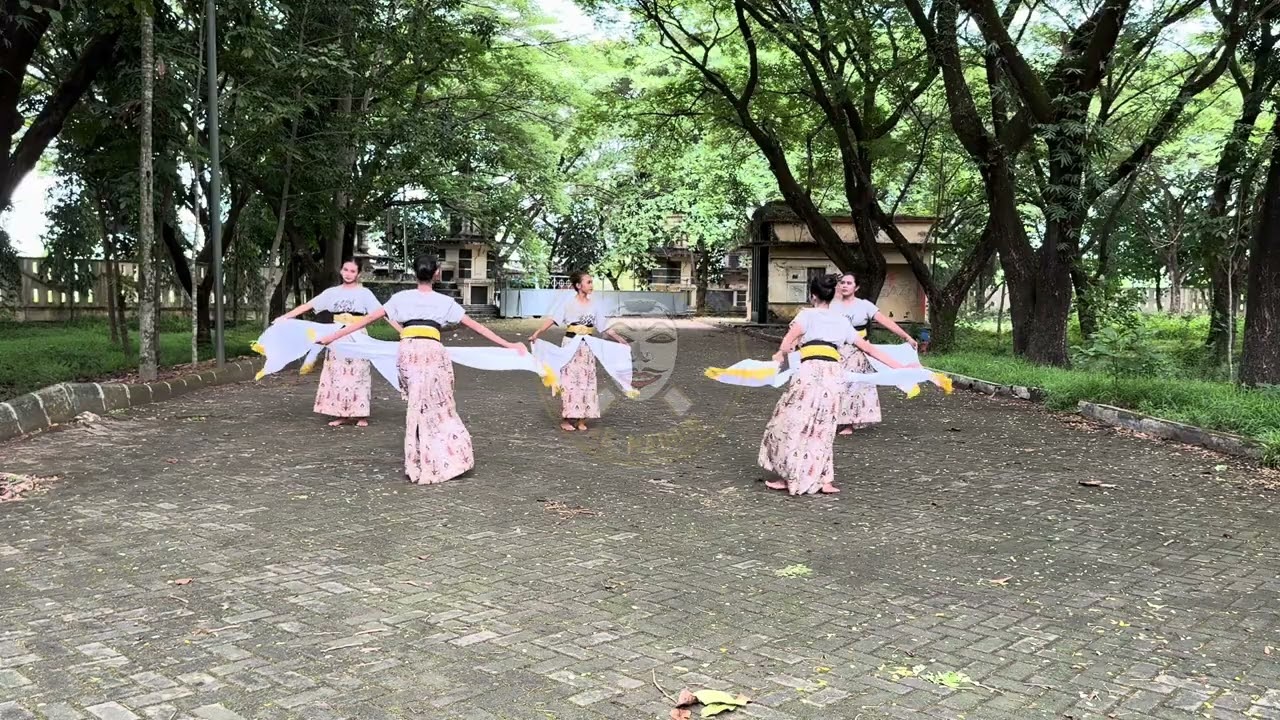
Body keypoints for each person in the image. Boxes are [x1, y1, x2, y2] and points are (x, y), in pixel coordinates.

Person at [316, 254, 526, 485]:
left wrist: (331, 337)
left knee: (417, 405)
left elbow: (366, 320)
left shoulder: (400, 298)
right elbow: (477, 327)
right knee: (439, 405)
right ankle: (439, 458)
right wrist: (509, 344)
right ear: (436, 273)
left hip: (408, 351)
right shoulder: (444, 302)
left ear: (414, 272)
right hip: (432, 351)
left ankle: (419, 459)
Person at [759, 274, 917, 496]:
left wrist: (781, 356)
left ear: (813, 296)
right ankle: (824, 479)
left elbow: (786, 344)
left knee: (792, 422)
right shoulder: (842, 321)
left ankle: (790, 476)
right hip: (833, 375)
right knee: (824, 426)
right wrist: (900, 367)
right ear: (833, 294)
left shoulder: (806, 315)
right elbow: (870, 349)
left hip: (810, 372)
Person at [274, 258, 397, 427]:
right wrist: (285, 317)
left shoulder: (365, 293)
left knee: (359, 374)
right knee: (338, 375)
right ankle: (341, 413)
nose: (348, 274)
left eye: (352, 271)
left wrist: (403, 331)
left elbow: (383, 313)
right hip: (336, 336)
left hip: (357, 335)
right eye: (346, 270)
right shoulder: (332, 293)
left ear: (358, 274)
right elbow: (308, 305)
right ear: (341, 271)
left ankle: (360, 414)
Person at [528, 271, 629, 432]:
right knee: (570, 381)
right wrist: (537, 333)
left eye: (591, 282)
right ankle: (567, 418)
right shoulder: (568, 304)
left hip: (587, 347)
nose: (591, 285)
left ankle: (582, 418)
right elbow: (553, 319)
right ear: (578, 285)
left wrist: (620, 339)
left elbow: (604, 327)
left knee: (587, 381)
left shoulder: (594, 305)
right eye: (588, 282)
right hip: (570, 345)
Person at [830, 273, 918, 435]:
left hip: (858, 351)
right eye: (842, 283)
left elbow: (886, 322)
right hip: (836, 350)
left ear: (856, 287)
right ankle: (833, 420)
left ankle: (849, 423)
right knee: (834, 385)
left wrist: (907, 337)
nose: (845, 286)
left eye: (849, 283)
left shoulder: (864, 306)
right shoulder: (832, 305)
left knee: (854, 386)